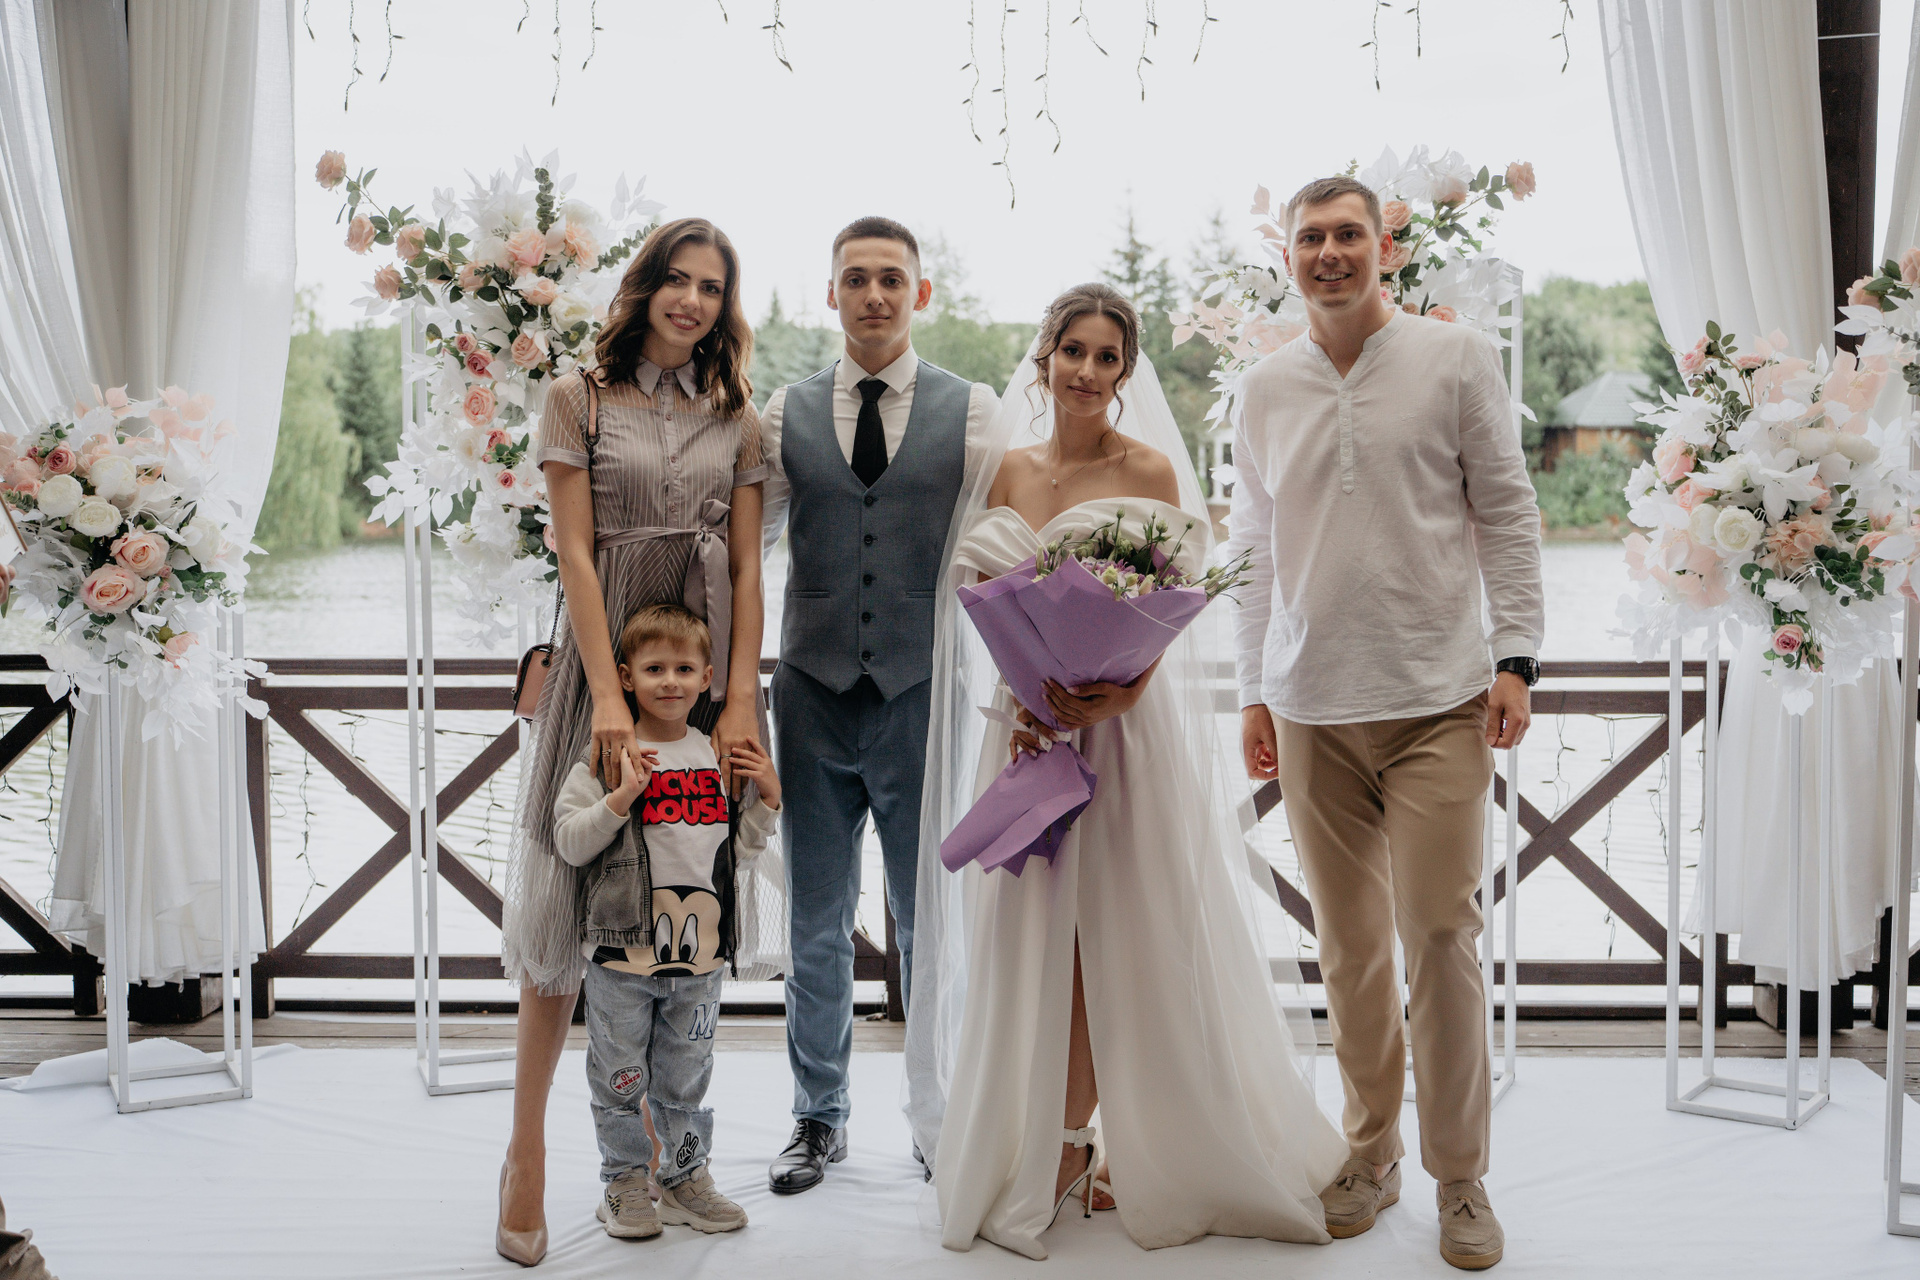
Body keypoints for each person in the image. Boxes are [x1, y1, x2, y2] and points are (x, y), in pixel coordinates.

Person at [913, 283, 1348, 1260]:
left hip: (1122, 732)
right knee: (1040, 940)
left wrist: (1121, 688)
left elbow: (1170, 607)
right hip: (1029, 731)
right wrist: (1029, 699)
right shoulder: (1009, 471)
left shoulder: (1149, 469)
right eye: (1073, 349)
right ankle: (1059, 1140)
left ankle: (1129, 1140)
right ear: (1044, 357)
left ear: (1125, 371)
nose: (1087, 370)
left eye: (1107, 356)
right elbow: (989, 602)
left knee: (1133, 933)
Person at [1226, 176, 1545, 1272]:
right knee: (1351, 945)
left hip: (1437, 699)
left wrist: (1516, 657)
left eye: (1348, 234)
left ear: (1384, 248)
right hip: (1310, 705)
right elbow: (1252, 548)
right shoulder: (1264, 386)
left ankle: (1461, 1176)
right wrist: (1253, 689)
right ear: (1288, 255)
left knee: (1443, 932)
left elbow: (1507, 507)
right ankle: (1372, 1152)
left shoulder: (1454, 359)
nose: (1329, 252)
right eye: (1310, 237)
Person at [497, 218, 781, 1266]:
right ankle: (525, 1151)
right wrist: (607, 698)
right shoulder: (577, 398)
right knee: (567, 902)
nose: (692, 300)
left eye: (712, 286)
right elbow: (575, 551)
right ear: (645, 285)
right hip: (603, 666)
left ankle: (665, 1157)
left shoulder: (739, 414)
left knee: (677, 892)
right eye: (677, 279)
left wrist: (739, 699)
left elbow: (747, 567)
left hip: (701, 674)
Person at [757, 217, 998, 1193]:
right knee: (814, 920)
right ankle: (818, 1118)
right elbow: (740, 549)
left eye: (891, 278)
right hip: (809, 696)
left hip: (922, 696)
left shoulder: (972, 412)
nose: (873, 294)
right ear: (831, 293)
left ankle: (937, 1118)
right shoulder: (783, 413)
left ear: (920, 294)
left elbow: (1007, 545)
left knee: (928, 919)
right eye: (854, 278)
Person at [552, 604, 781, 1240]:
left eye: (684, 669)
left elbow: (735, 855)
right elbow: (569, 842)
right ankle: (625, 1182)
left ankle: (683, 1179)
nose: (670, 681)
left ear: (707, 677)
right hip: (622, 960)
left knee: (685, 1080)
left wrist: (768, 800)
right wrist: (620, 798)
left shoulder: (712, 756)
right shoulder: (609, 756)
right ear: (626, 677)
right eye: (654, 668)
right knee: (619, 1077)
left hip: (698, 961)